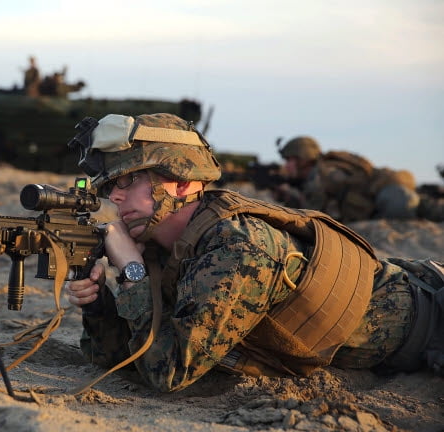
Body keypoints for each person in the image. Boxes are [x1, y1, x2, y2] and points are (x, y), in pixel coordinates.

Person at [64, 113, 443, 393]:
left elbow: (169, 373)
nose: (114, 195)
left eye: (129, 180)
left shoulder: (236, 246)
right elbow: (123, 359)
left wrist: (132, 271)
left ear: (179, 183)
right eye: (112, 184)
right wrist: (99, 305)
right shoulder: (166, 246)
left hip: (432, 321)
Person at [275, 136, 426, 222]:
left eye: (289, 160)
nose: (286, 166)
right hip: (396, 197)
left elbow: (313, 216)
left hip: (393, 200)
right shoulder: (326, 169)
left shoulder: (321, 176)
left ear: (303, 159)